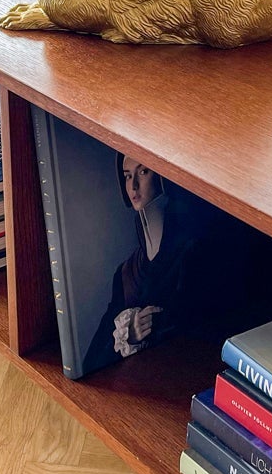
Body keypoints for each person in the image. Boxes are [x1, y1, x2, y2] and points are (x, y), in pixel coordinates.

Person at [82, 154, 215, 370]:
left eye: (143, 172)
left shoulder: (192, 250)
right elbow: (95, 356)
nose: (133, 186)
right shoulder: (125, 273)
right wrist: (131, 335)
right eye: (127, 176)